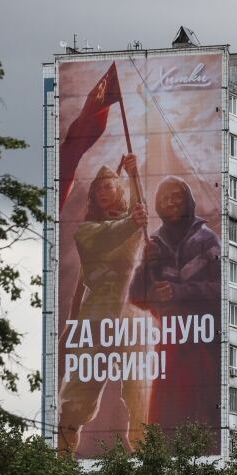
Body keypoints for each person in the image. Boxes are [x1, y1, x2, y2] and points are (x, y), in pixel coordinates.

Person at [58, 154, 149, 453]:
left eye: (109, 186)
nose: (102, 191)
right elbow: (111, 233)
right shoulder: (87, 231)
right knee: (76, 398)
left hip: (130, 315)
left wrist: (134, 176)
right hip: (96, 317)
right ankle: (61, 460)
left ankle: (149, 462)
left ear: (119, 190)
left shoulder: (133, 223)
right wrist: (71, 327)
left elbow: (138, 213)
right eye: (98, 189)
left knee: (139, 390)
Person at [128, 175, 221, 439]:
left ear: (188, 201)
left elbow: (222, 289)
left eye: (176, 196)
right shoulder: (154, 243)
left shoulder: (206, 239)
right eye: (164, 198)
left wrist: (179, 292)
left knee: (202, 420)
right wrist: (146, 266)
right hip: (169, 347)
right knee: (165, 422)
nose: (170, 202)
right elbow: (137, 296)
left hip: (204, 344)